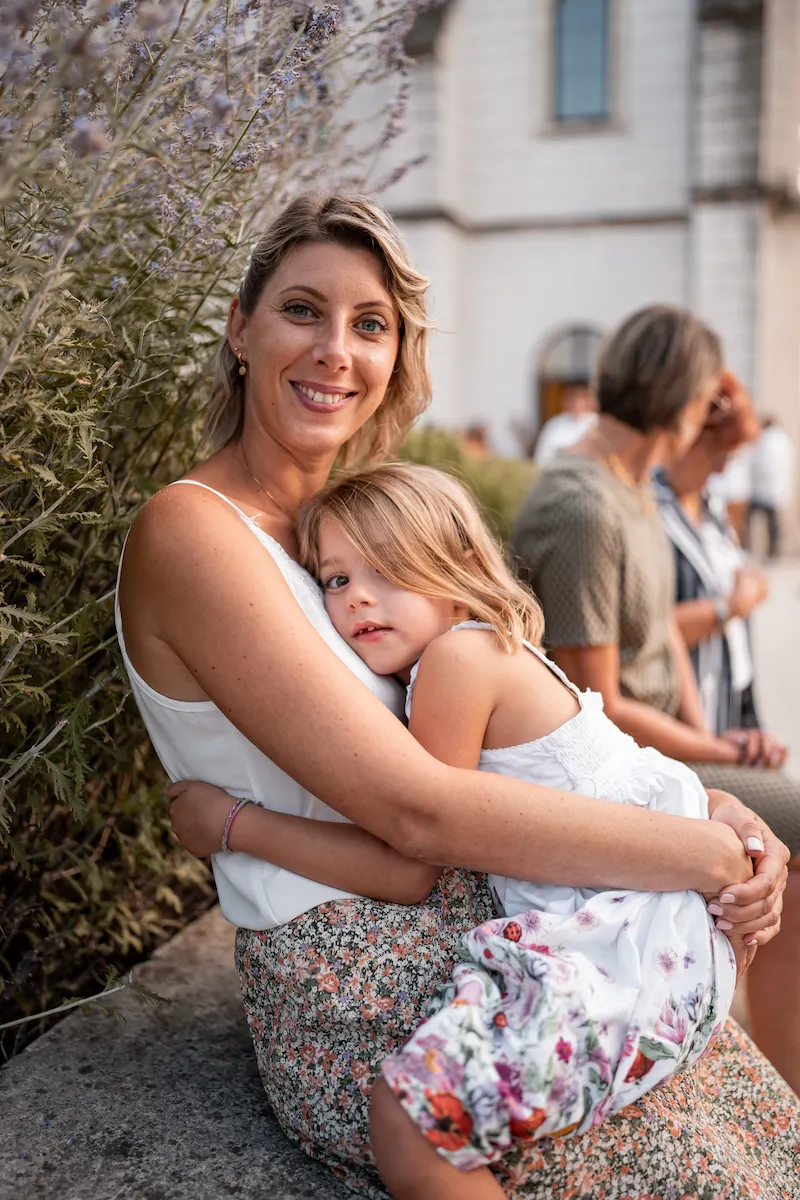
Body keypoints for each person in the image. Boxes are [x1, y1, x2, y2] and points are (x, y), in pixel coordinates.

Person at [116, 199, 795, 1199]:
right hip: (355, 964)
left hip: (493, 909)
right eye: (303, 310)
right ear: (239, 326)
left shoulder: (349, 534)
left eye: (371, 324)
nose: (335, 350)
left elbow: (533, 728)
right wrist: (703, 851)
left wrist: (709, 809)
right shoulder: (194, 532)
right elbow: (416, 809)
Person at [280, 460, 739, 1198]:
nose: (359, 596)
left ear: (460, 565)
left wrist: (235, 824)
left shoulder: (458, 660)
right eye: (335, 579)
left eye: (389, 569)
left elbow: (408, 865)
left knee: (410, 1123)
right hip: (661, 929)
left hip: (639, 941)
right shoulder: (483, 649)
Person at [510, 304, 800, 1094]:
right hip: (608, 766)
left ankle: (768, 1065)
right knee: (797, 816)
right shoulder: (584, 507)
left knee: (782, 840)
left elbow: (663, 639)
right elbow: (591, 700)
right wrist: (714, 755)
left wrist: (718, 739)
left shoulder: (631, 482)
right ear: (680, 400)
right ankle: (776, 1079)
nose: (714, 411)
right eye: (707, 395)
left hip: (660, 746)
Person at [655, 374, 779, 745]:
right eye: (719, 453)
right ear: (689, 440)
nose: (724, 468)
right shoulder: (651, 514)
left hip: (732, 687)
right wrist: (733, 605)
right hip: (685, 709)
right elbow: (651, 629)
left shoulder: (711, 505)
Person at [749, 416, 794, 559]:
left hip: (763, 487)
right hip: (777, 487)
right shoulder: (784, 440)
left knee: (753, 518)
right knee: (773, 521)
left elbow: (760, 463)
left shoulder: (766, 440)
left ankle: (749, 546)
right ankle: (774, 550)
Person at [532, 384, 597, 466]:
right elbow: (542, 457)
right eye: (573, 400)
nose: (577, 405)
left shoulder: (597, 423)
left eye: (581, 400)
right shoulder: (555, 424)